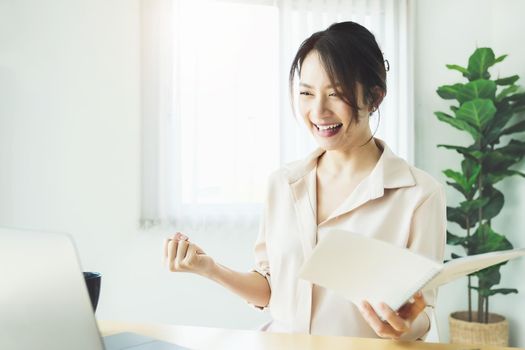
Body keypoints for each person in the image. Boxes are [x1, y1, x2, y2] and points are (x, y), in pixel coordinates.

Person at [163, 21, 446, 341]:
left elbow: (424, 311)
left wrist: (407, 324)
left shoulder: (419, 196)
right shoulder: (283, 184)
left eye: (335, 94)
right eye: (306, 94)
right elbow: (271, 290)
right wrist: (209, 268)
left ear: (374, 97)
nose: (318, 111)